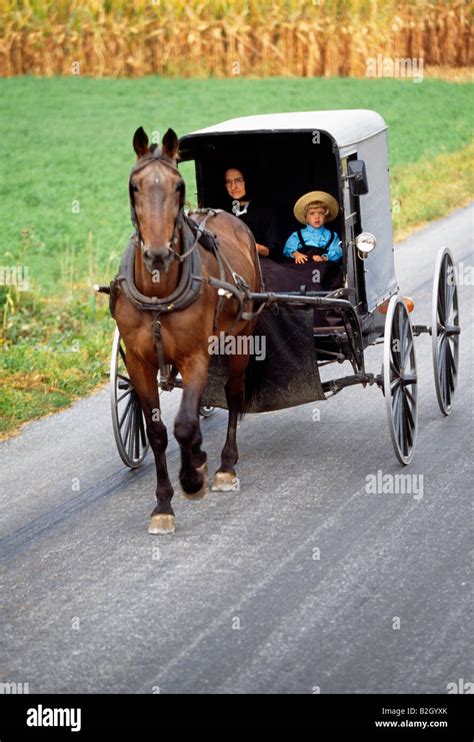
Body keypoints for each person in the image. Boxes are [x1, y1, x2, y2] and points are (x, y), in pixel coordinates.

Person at [224, 167, 278, 258]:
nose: (233, 187)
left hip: (260, 264)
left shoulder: (264, 210)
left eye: (238, 180)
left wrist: (260, 249)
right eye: (228, 182)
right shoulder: (221, 211)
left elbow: (274, 250)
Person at [283, 191, 342, 264]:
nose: (317, 217)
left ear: (326, 216)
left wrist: (324, 257)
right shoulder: (297, 235)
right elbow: (287, 250)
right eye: (312, 213)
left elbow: (337, 252)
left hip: (323, 269)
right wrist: (296, 254)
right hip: (301, 270)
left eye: (321, 213)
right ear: (306, 218)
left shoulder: (332, 235)